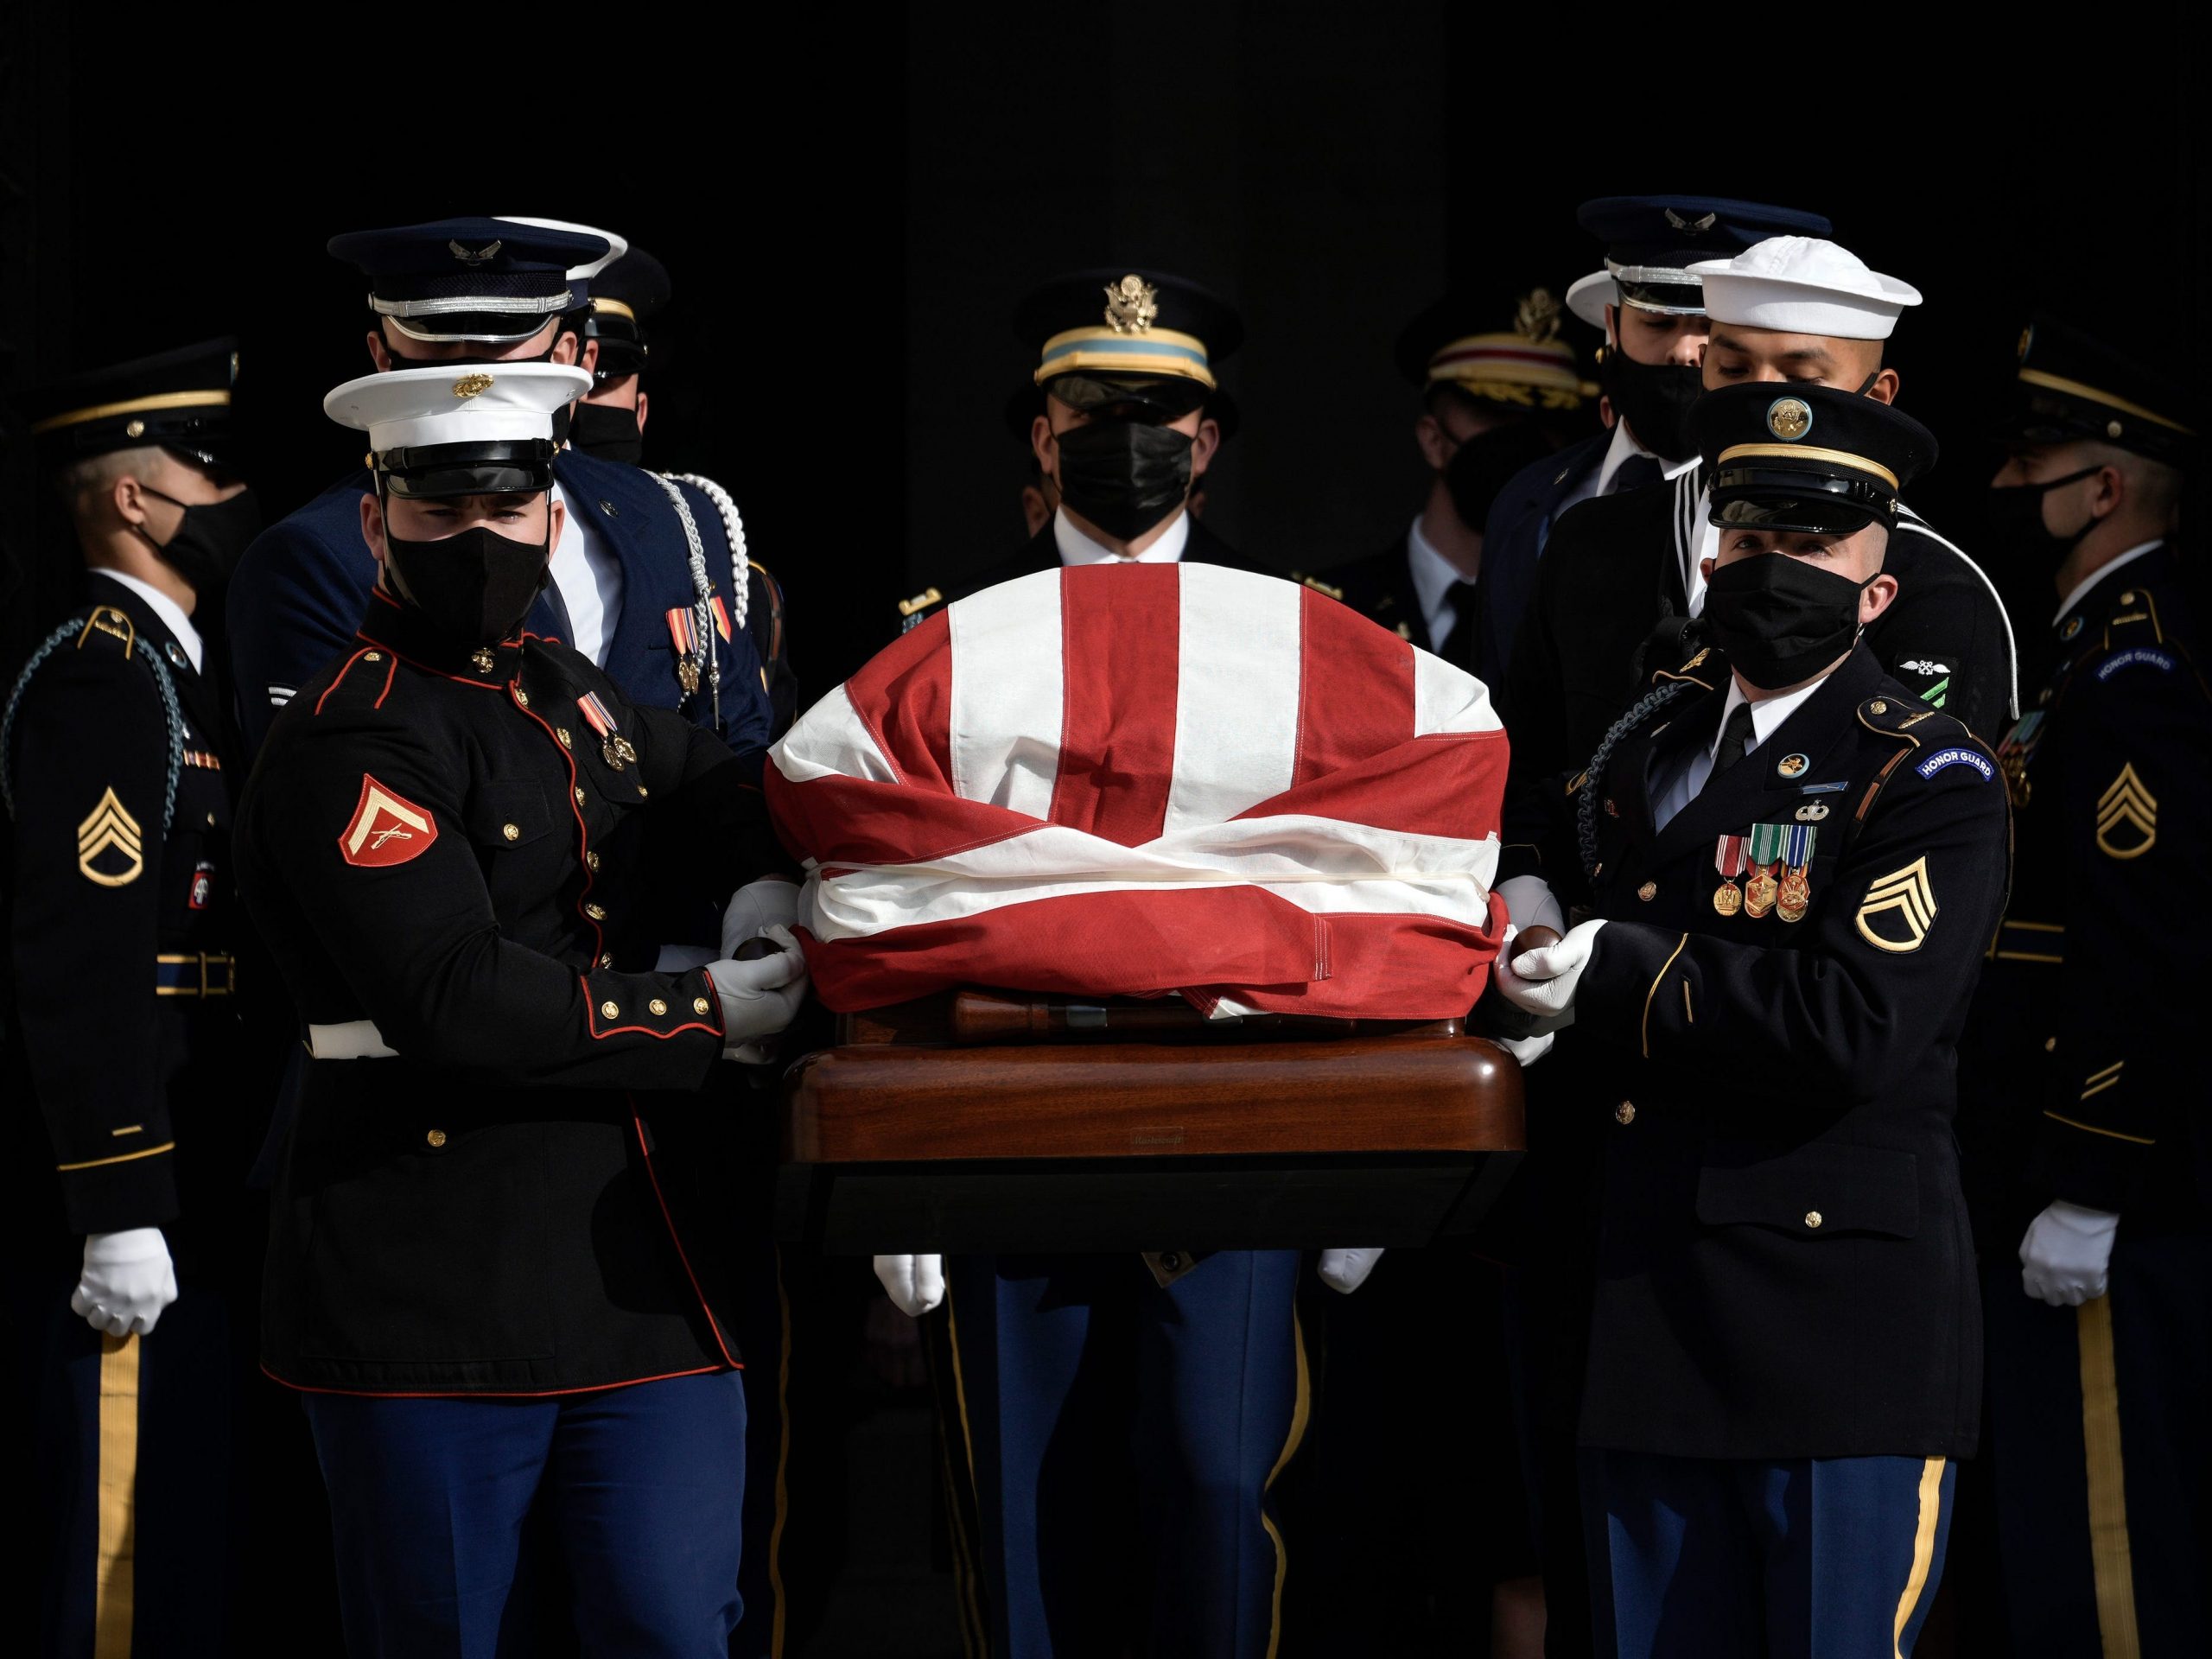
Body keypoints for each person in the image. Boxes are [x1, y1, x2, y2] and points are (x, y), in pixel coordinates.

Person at [233, 361, 810, 1654]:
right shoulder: (352, 735)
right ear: (378, 523)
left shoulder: (567, 686)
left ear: (554, 513)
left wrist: (764, 883)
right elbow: (454, 997)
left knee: (673, 1625)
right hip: (433, 1285)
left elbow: (718, 781)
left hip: (641, 1273)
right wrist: (713, 1009)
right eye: (441, 516)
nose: (479, 542)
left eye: (507, 511)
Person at [1495, 381, 2008, 1654]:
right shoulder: (1652, 738)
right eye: (1753, 535)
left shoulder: (1928, 770)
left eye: (1814, 544)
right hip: (1642, 1318)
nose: (1774, 565)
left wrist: (1612, 967)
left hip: (1832, 1339)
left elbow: (1850, 1023)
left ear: (1875, 593)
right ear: (1711, 551)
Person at [5, 340, 270, 1652]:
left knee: (186, 1529)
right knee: (114, 1549)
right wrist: (116, 1199)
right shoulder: (103, 673)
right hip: (142, 1188)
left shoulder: (188, 671)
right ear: (130, 496)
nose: (233, 502)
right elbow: (83, 951)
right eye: (206, 474)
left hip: (210, 1171)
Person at [1966, 316, 2207, 1656]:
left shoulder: (2136, 665)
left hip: (2107, 1170)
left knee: (2108, 1546)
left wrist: (2093, 1172)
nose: (2006, 490)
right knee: (2052, 1520)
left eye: (2031, 462)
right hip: (2033, 1145)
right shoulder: (2080, 651)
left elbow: (2150, 935)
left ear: (2103, 486)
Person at [227, 217, 771, 760]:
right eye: (437, 354)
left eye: (497, 354)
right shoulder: (316, 557)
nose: (469, 381)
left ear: (564, 358)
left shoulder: (670, 513)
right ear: (381, 358)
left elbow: (737, 734)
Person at [1503, 232, 2018, 793]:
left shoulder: (1941, 592)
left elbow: (1927, 811)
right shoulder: (1594, 539)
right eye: (1735, 369)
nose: (1759, 404)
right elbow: (1528, 767)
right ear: (1704, 369)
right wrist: (1531, 877)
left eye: (1801, 381)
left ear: (1877, 397)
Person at [1476, 196, 1832, 690]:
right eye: (1658, 322)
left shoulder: (1817, 511)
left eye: (1708, 326)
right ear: (1612, 326)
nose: (1685, 351)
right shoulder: (1532, 498)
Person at [896, 267, 1268, 633]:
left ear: (1203, 448)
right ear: (1044, 443)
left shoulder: (1281, 615)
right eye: (1095, 411)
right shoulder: (959, 628)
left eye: (1156, 413)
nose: (1128, 437)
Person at [564, 240, 798, 741]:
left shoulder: (706, 547)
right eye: (568, 390)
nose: (581, 408)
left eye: (601, 388)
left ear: (642, 413)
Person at [1313, 286, 1587, 679]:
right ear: (1432, 438)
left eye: (1547, 423)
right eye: (1492, 413)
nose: (1520, 442)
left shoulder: (1576, 617)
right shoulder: (1330, 607)